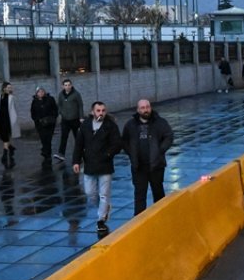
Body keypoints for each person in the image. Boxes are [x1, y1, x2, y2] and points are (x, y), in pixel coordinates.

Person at [74, 101, 123, 232]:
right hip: (89, 165)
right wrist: (76, 161)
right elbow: (79, 144)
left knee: (104, 194)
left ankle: (101, 219)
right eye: (98, 110)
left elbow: (117, 143)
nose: (100, 113)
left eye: (103, 110)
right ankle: (105, 208)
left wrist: (108, 154)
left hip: (105, 165)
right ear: (92, 112)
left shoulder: (110, 126)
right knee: (90, 193)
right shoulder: (85, 125)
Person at [122, 98, 175, 215]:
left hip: (156, 165)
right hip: (138, 166)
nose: (146, 110)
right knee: (140, 195)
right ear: (138, 109)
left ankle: (161, 216)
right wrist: (131, 153)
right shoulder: (130, 125)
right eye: (143, 108)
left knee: (158, 192)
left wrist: (160, 150)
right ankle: (138, 221)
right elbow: (124, 140)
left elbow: (169, 136)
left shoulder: (160, 122)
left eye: (147, 107)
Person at [0, 82, 18, 167]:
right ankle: (11, 148)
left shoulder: (12, 97)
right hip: (0, 120)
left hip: (8, 120)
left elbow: (14, 109)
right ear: (4, 88)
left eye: (11, 87)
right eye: (8, 87)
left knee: (5, 138)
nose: (10, 89)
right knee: (3, 137)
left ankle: (4, 156)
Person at [56, 78, 84, 162]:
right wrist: (60, 112)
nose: (67, 87)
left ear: (71, 85)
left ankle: (81, 154)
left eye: (69, 85)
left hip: (75, 119)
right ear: (62, 86)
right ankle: (61, 154)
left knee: (78, 138)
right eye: (65, 85)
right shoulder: (61, 94)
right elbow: (59, 104)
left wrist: (81, 117)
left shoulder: (76, 94)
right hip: (65, 120)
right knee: (64, 137)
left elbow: (80, 105)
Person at [30, 87, 59, 163]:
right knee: (43, 139)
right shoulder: (34, 102)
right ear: (36, 93)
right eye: (39, 92)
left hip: (50, 123)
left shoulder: (50, 99)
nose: (41, 93)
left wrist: (53, 117)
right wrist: (37, 119)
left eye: (42, 91)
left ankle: (48, 154)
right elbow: (33, 112)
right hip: (40, 124)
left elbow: (55, 109)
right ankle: (45, 151)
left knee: (48, 139)